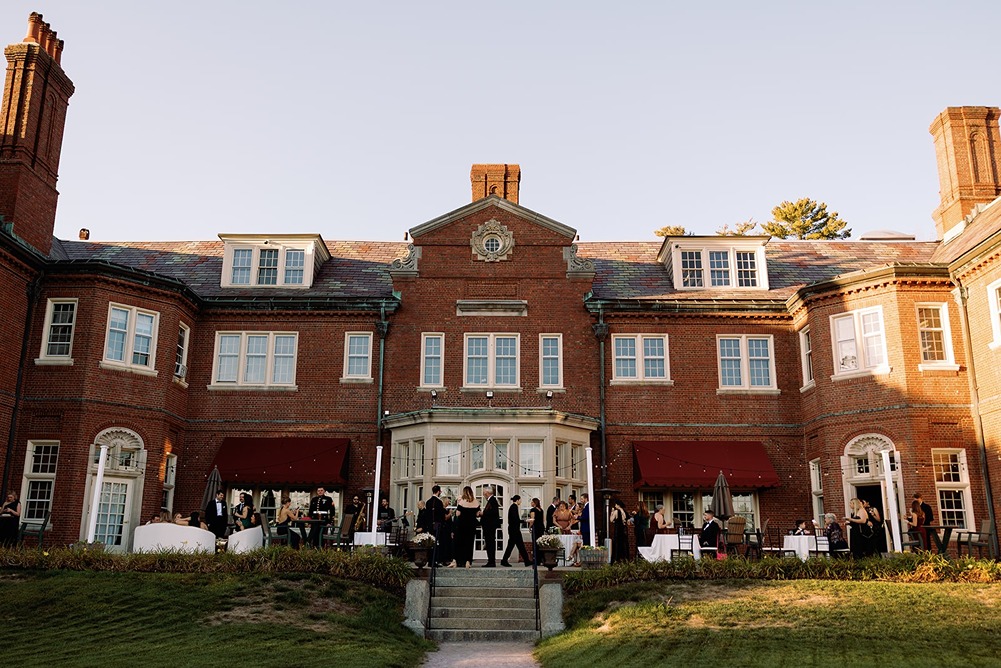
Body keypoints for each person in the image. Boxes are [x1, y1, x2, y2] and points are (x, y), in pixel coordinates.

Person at [451, 486, 480, 568]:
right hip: (471, 525)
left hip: (461, 525)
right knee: (469, 543)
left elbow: (458, 514)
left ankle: (457, 561)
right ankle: (468, 561)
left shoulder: (462, 502)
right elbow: (478, 514)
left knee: (460, 543)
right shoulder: (476, 502)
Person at [500, 495, 531, 567]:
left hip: (513, 529)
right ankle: (504, 560)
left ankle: (526, 561)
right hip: (514, 530)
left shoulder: (513, 507)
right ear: (517, 500)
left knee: (517, 546)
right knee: (517, 546)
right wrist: (525, 520)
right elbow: (515, 520)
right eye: (520, 500)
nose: (521, 501)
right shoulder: (514, 507)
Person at [480, 486, 501, 567]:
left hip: (490, 527)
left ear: (487, 493)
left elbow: (493, 513)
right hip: (489, 526)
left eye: (484, 493)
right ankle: (491, 561)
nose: (483, 494)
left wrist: (483, 514)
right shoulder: (492, 500)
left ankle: (491, 561)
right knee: (489, 544)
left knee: (490, 544)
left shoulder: (492, 501)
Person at [609, 499, 629, 563]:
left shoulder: (616, 511)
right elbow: (626, 519)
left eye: (615, 504)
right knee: (624, 544)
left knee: (617, 544)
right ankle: (624, 558)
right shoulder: (624, 511)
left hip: (618, 530)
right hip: (623, 529)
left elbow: (611, 520)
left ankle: (616, 559)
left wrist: (612, 513)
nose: (615, 506)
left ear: (618, 505)